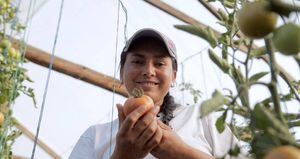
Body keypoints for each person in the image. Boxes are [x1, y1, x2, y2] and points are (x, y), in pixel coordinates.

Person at [69, 28, 244, 159]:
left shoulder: (201, 118)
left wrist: (181, 152)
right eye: (138, 61)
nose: (148, 71)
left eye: (159, 63)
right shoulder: (95, 136)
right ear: (122, 72)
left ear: (174, 76)